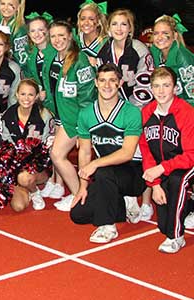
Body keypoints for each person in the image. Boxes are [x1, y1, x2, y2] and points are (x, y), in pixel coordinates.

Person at [70, 64, 146, 243]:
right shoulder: (86, 114)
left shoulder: (132, 112)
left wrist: (95, 164)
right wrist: (82, 186)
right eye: (102, 80)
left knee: (103, 172)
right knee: (79, 214)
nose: (107, 85)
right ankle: (123, 204)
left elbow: (127, 153)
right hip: (107, 176)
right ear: (96, 83)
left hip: (133, 173)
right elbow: (85, 153)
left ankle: (107, 226)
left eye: (112, 80)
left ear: (120, 83)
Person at [96, 9, 155, 221]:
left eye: (124, 24)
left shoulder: (139, 49)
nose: (119, 29)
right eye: (115, 24)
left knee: (142, 154)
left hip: (138, 110)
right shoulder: (105, 49)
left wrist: (128, 111)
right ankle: (128, 198)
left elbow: (146, 84)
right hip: (115, 111)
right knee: (118, 151)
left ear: (130, 28)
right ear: (109, 28)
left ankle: (146, 202)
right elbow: (103, 81)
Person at [42, 20, 96, 212]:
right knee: (58, 154)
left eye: (61, 36)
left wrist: (84, 129)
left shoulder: (80, 61)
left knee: (57, 155)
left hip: (73, 118)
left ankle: (77, 195)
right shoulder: (52, 57)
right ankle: (75, 192)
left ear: (70, 36)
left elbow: (88, 97)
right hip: (58, 114)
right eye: (53, 36)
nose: (57, 40)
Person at [140, 67, 194, 253]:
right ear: (151, 89)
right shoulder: (147, 112)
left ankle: (176, 237)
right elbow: (146, 150)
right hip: (163, 168)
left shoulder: (186, 112)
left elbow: (190, 155)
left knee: (178, 180)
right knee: (163, 224)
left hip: (187, 162)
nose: (161, 91)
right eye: (156, 86)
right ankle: (188, 207)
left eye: (166, 85)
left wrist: (162, 168)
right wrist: (154, 184)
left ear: (175, 88)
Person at [24, 12, 65, 199]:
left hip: (61, 105)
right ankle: (55, 181)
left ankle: (61, 183)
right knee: (52, 143)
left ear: (48, 31)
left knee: (59, 146)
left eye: (41, 29)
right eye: (33, 30)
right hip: (48, 106)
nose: (38, 33)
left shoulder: (55, 51)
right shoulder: (33, 55)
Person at [2, 79, 54, 211]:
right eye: (23, 94)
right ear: (17, 95)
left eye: (31, 95)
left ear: (36, 96)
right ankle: (26, 188)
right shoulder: (7, 116)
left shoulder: (44, 115)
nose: (26, 98)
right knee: (18, 206)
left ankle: (35, 192)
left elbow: (48, 145)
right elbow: (5, 143)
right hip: (16, 166)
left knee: (24, 178)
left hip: (38, 167)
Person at [149, 14, 194, 106]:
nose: (159, 37)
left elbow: (192, 96)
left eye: (165, 33)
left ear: (174, 35)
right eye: (156, 33)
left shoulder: (183, 57)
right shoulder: (155, 52)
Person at [0, 0, 28, 68]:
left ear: (18, 7)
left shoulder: (20, 30)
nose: (6, 8)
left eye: (10, 5)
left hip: (13, 69)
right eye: (3, 4)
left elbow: (22, 61)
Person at [76, 0, 108, 65]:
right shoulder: (75, 39)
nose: (86, 23)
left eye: (91, 19)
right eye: (82, 19)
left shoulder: (107, 42)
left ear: (99, 21)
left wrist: (98, 62)